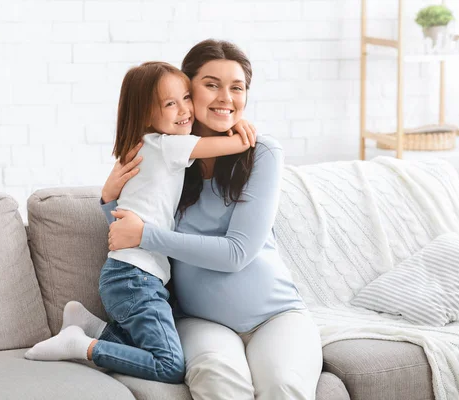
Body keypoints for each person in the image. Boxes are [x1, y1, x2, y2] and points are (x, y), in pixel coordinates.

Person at [103, 40, 323, 399]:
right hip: (202, 322)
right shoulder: (165, 157)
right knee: (217, 379)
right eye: (211, 84)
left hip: (277, 316)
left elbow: (238, 252)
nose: (226, 97)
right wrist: (108, 197)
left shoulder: (261, 151)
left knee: (283, 384)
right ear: (187, 89)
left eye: (236, 88)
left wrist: (147, 235)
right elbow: (122, 233)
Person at [24, 61, 256, 383]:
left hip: (129, 275)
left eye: (186, 97)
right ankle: (85, 346)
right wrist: (242, 126)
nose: (184, 110)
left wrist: (108, 199)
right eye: (170, 103)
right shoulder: (168, 145)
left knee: (150, 349)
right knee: (170, 365)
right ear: (147, 115)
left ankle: (91, 328)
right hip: (136, 277)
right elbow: (236, 143)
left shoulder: (148, 147)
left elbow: (126, 214)